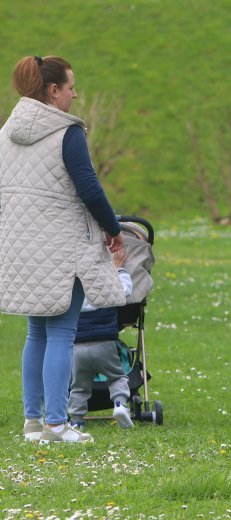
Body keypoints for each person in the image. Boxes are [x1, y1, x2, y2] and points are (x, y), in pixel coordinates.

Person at [0, 55, 125, 444]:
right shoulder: (67, 132)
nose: (75, 94)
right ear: (53, 91)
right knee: (61, 333)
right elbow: (89, 188)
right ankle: (57, 423)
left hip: (20, 247)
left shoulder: (7, 131)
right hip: (60, 247)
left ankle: (33, 423)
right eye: (71, 87)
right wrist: (113, 228)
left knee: (36, 332)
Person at [68, 249, 134, 429]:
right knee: (117, 377)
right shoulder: (108, 288)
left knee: (78, 387)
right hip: (105, 345)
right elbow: (126, 289)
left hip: (77, 348)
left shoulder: (73, 293)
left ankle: (76, 420)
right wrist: (119, 268)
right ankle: (120, 405)